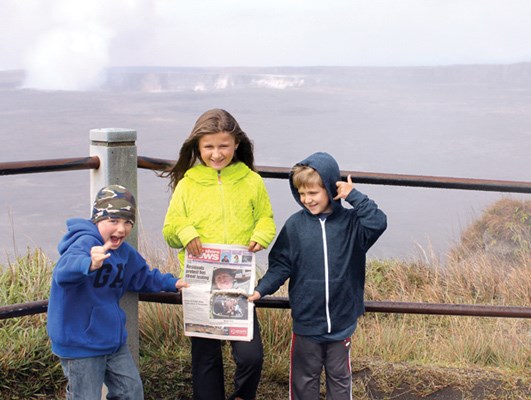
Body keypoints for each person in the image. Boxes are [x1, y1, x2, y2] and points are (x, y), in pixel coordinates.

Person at [249, 152, 387, 400]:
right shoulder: (295, 226)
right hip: (306, 322)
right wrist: (261, 289)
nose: (307, 200)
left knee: (340, 379)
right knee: (304, 381)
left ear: (331, 187)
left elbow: (378, 222)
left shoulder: (353, 224)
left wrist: (352, 195)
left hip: (342, 321)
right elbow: (281, 265)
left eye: (313, 193)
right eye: (302, 194)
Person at [162, 108, 276, 400]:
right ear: (197, 147)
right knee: (205, 359)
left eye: (223, 145)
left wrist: (261, 235)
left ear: (236, 143)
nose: (216, 153)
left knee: (251, 356)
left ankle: (241, 396)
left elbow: (266, 218)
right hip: (199, 285)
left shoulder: (251, 180)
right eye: (208, 147)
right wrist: (187, 233)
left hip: (239, 284)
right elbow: (170, 229)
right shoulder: (188, 184)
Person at [47, 185, 188, 400]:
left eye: (127, 222)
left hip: (112, 340)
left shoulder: (123, 252)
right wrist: (89, 264)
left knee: (130, 392)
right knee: (85, 396)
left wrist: (173, 282)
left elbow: (143, 276)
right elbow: (63, 272)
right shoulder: (83, 242)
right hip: (80, 342)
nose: (121, 229)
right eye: (113, 221)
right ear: (97, 220)